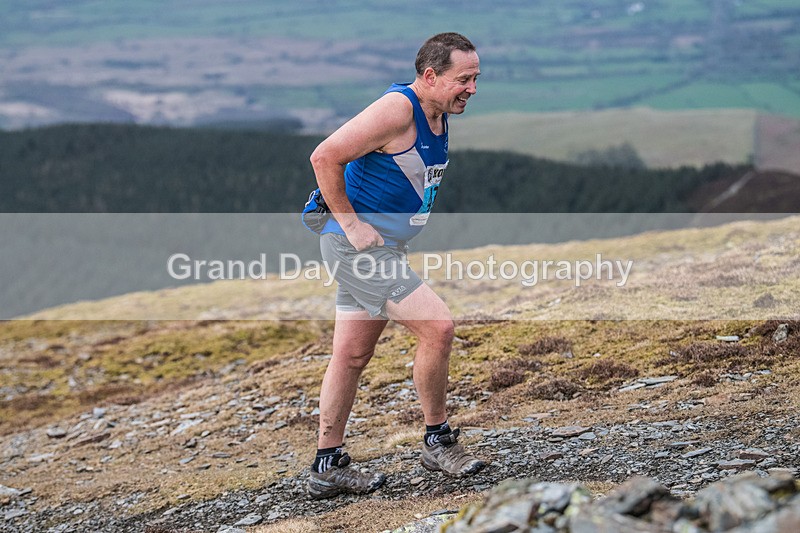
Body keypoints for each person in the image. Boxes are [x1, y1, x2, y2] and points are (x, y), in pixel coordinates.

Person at [305, 32, 486, 500]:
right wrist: (352, 226)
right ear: (429, 76)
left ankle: (327, 464)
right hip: (358, 251)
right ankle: (437, 441)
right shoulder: (398, 109)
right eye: (462, 79)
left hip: (383, 249)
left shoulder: (438, 112)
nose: (471, 88)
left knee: (351, 356)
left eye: (475, 79)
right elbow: (323, 156)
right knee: (438, 327)